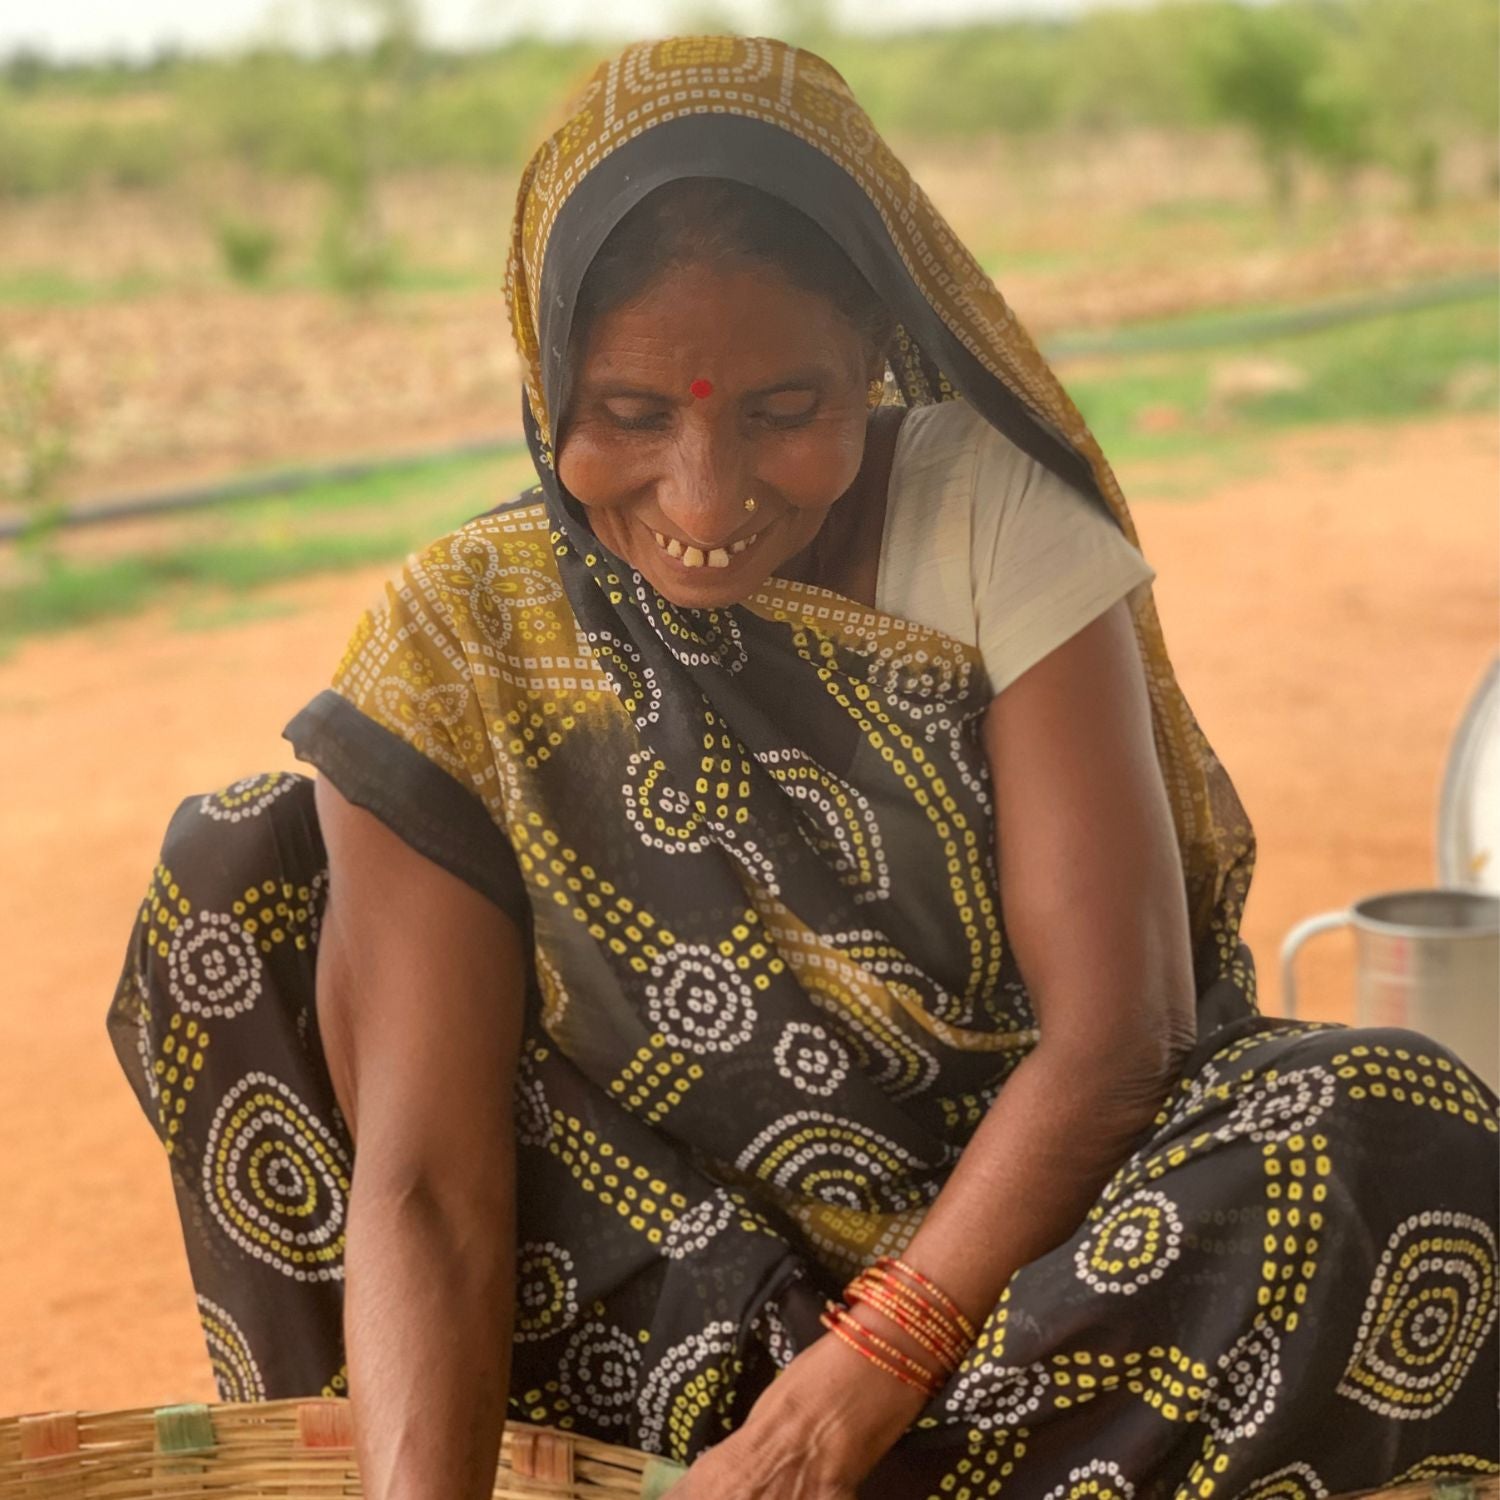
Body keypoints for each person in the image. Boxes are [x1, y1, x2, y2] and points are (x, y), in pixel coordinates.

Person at [106, 34, 1499, 1500]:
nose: (706, 498)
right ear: (546, 370)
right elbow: (433, 1192)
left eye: (785, 414)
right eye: (635, 415)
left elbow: (1121, 1033)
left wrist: (859, 1381)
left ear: (877, 358)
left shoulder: (989, 523)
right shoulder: (467, 641)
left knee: (1391, 1131)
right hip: (667, 1298)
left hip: (1020, 1278)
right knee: (250, 873)